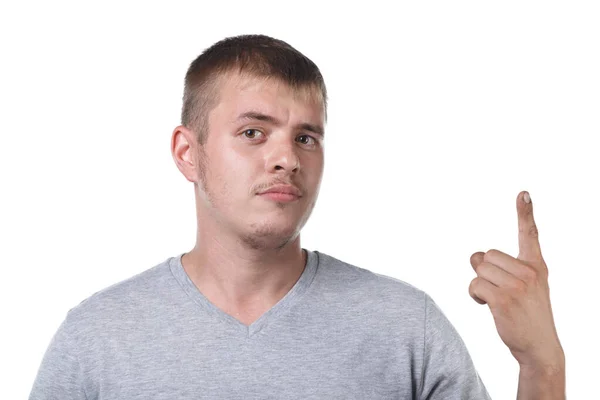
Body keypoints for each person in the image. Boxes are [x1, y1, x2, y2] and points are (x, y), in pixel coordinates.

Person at [29, 34, 565, 399]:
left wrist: (541, 365)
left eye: (305, 137)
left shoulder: (406, 329)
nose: (287, 157)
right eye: (253, 132)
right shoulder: (97, 338)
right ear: (188, 153)